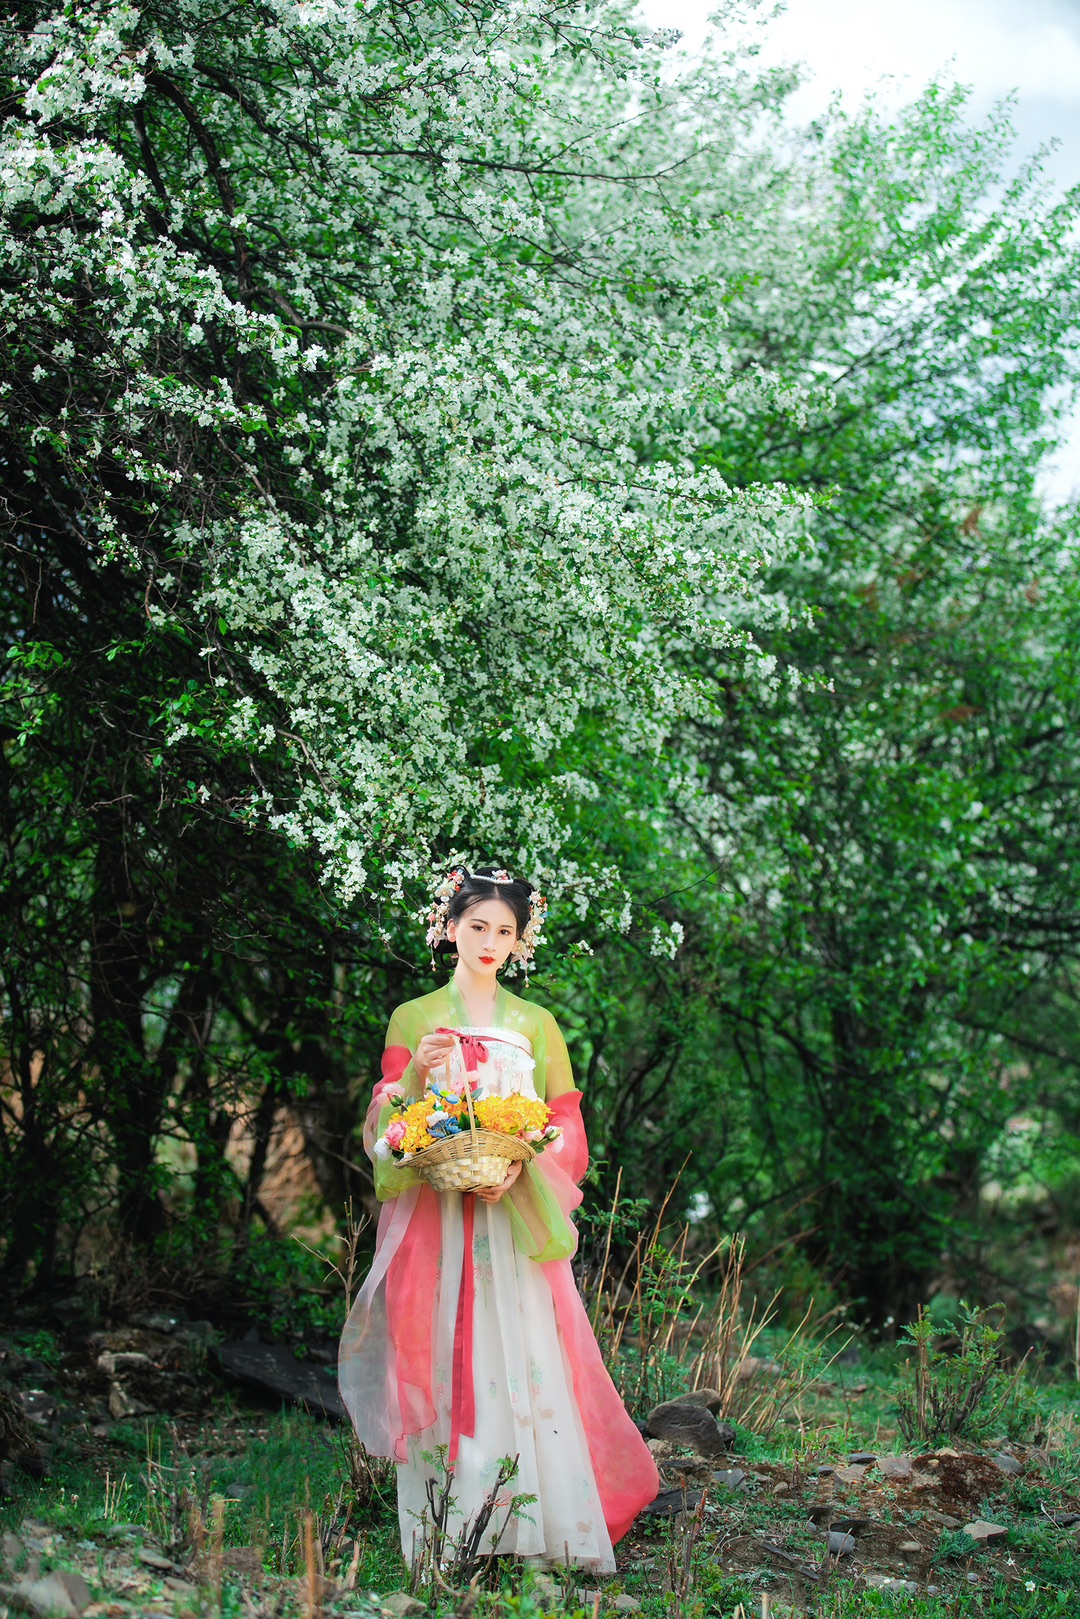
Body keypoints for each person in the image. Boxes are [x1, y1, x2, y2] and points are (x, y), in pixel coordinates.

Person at [338, 866, 659, 1571]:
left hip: (511, 1217)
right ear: (449, 926)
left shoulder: (536, 1023)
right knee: (444, 1345)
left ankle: (537, 1528)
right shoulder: (413, 1016)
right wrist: (415, 1077)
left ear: (520, 941)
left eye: (504, 931)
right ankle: (451, 1532)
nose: (489, 941)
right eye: (477, 925)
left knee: (527, 1352)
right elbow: (387, 1127)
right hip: (438, 1218)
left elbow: (566, 1125)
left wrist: (521, 1165)